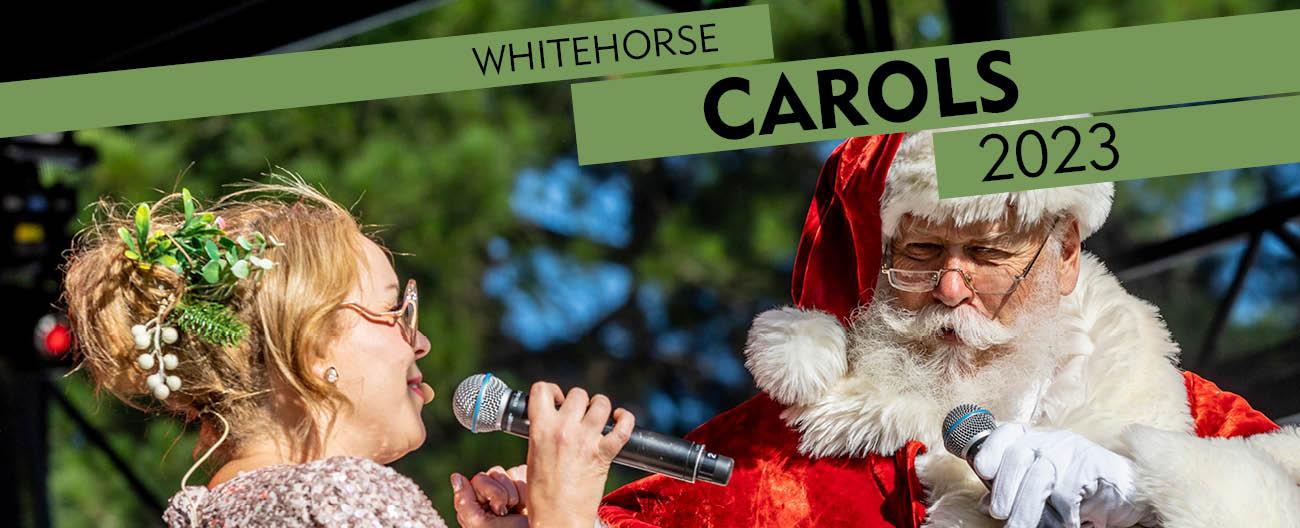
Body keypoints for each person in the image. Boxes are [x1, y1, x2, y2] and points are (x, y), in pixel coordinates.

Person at [596, 131, 1300, 527]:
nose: (953, 289)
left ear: (1063, 258)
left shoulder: (1196, 420)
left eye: (990, 255)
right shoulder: (760, 462)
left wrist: (1145, 490)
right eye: (922, 254)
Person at [62, 176, 635, 528]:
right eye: (394, 310)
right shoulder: (344, 501)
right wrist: (564, 516)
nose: (421, 340)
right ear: (313, 347)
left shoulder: (219, 510)